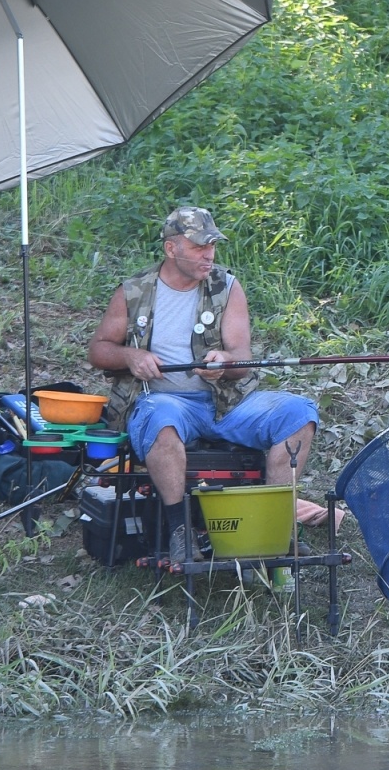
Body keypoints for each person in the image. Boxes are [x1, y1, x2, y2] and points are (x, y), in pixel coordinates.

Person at [88, 206, 318, 564]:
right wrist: (131, 358)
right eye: (198, 247)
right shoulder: (134, 292)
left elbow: (241, 358)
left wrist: (225, 363)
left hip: (224, 404)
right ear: (171, 249)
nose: (208, 254)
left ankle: (277, 527)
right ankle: (180, 532)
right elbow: (99, 350)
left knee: (297, 411)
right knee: (160, 417)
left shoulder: (226, 286)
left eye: (211, 246)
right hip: (164, 402)